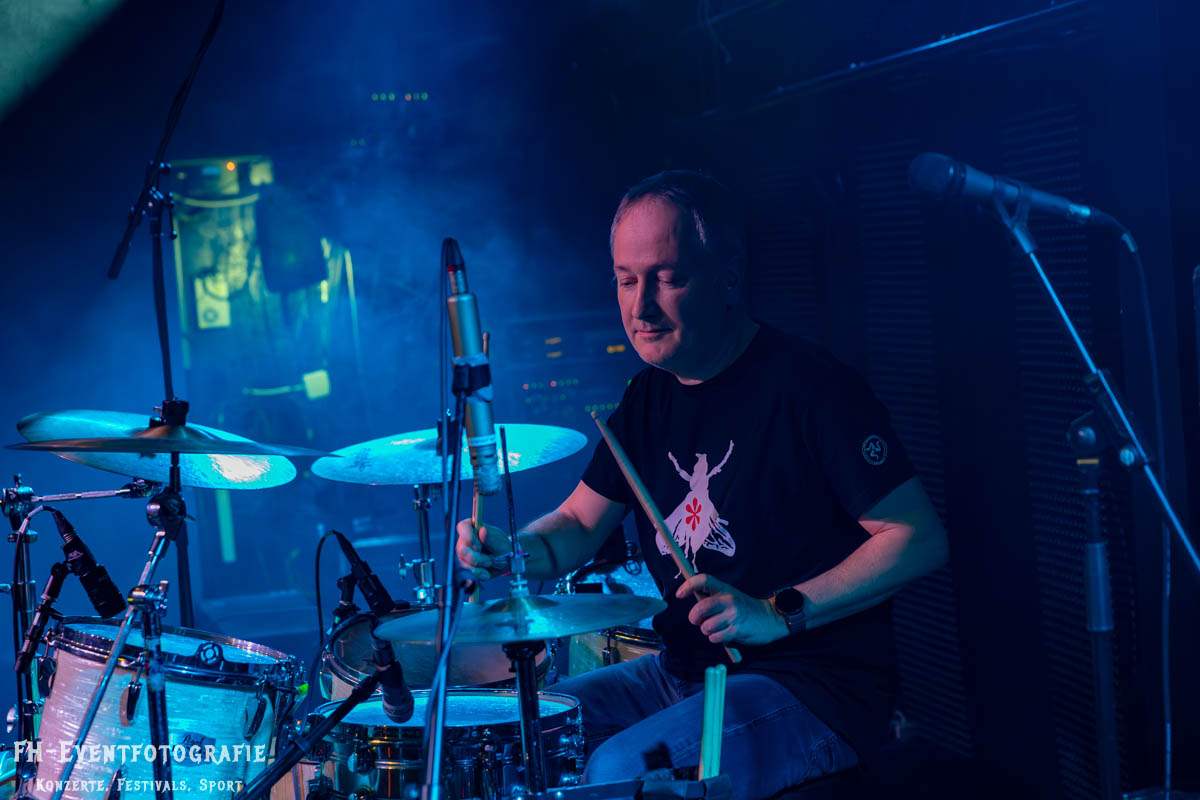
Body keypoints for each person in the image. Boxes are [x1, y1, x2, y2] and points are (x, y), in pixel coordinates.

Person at [457, 170, 949, 799]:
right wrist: (513, 550)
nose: (640, 307)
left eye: (668, 278)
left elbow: (917, 538)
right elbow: (578, 525)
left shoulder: (812, 389)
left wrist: (777, 613)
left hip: (810, 685)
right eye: (626, 280)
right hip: (680, 673)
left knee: (619, 772)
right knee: (514, 732)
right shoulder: (647, 397)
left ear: (729, 279)